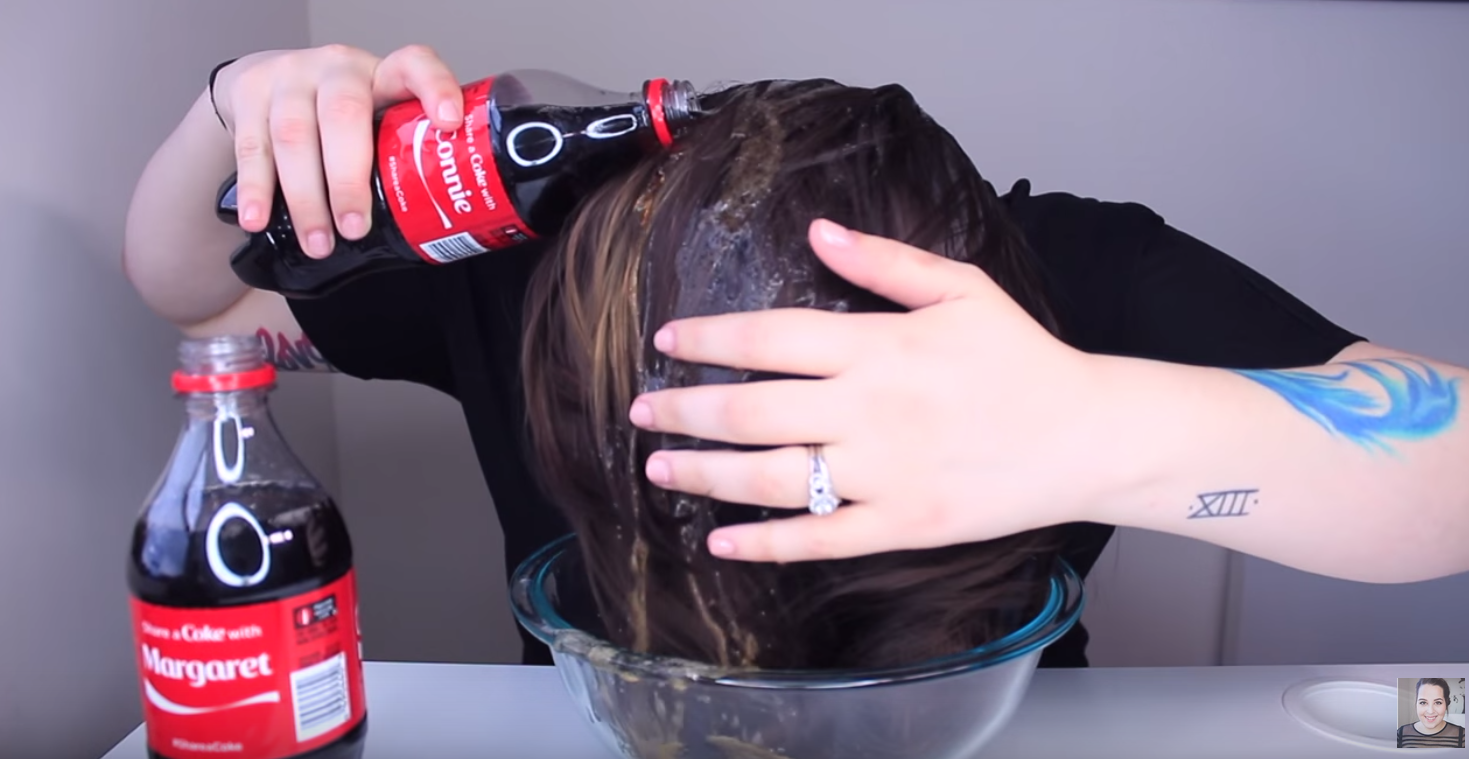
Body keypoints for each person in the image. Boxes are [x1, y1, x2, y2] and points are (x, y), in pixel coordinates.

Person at [121, 43, 1464, 671]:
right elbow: (198, 299)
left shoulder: (1072, 276)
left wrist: (1093, 419)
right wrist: (239, 103)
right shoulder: (526, 268)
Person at [1398, 678, 1466, 749]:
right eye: (1423, 702)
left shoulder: (1463, 736)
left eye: (1438, 702)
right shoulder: (1400, 734)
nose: (1430, 711)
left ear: (1446, 704)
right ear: (1416, 704)